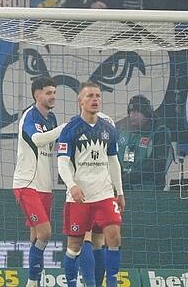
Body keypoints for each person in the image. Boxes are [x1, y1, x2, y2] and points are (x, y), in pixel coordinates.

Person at [57, 82, 124, 287]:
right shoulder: (70, 129)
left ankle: (111, 282)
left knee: (114, 236)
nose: (95, 99)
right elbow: (62, 162)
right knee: (75, 245)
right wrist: (72, 185)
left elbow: (113, 160)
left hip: (104, 195)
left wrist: (119, 191)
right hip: (79, 197)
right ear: (80, 101)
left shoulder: (108, 129)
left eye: (97, 96)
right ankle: (71, 283)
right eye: (90, 96)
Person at [13, 77, 66, 287]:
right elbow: (36, 139)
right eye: (48, 92)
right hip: (27, 183)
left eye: (54, 92)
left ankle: (34, 279)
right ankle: (33, 282)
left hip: (45, 185)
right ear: (37, 95)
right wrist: (63, 128)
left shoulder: (51, 118)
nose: (52, 96)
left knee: (36, 235)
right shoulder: (30, 116)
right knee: (46, 232)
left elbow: (50, 147)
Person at [117, 95, 172, 190]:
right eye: (130, 112)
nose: (131, 116)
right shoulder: (126, 132)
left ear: (146, 113)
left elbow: (157, 166)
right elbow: (126, 159)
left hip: (151, 190)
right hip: (127, 187)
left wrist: (128, 178)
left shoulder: (160, 132)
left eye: (136, 112)